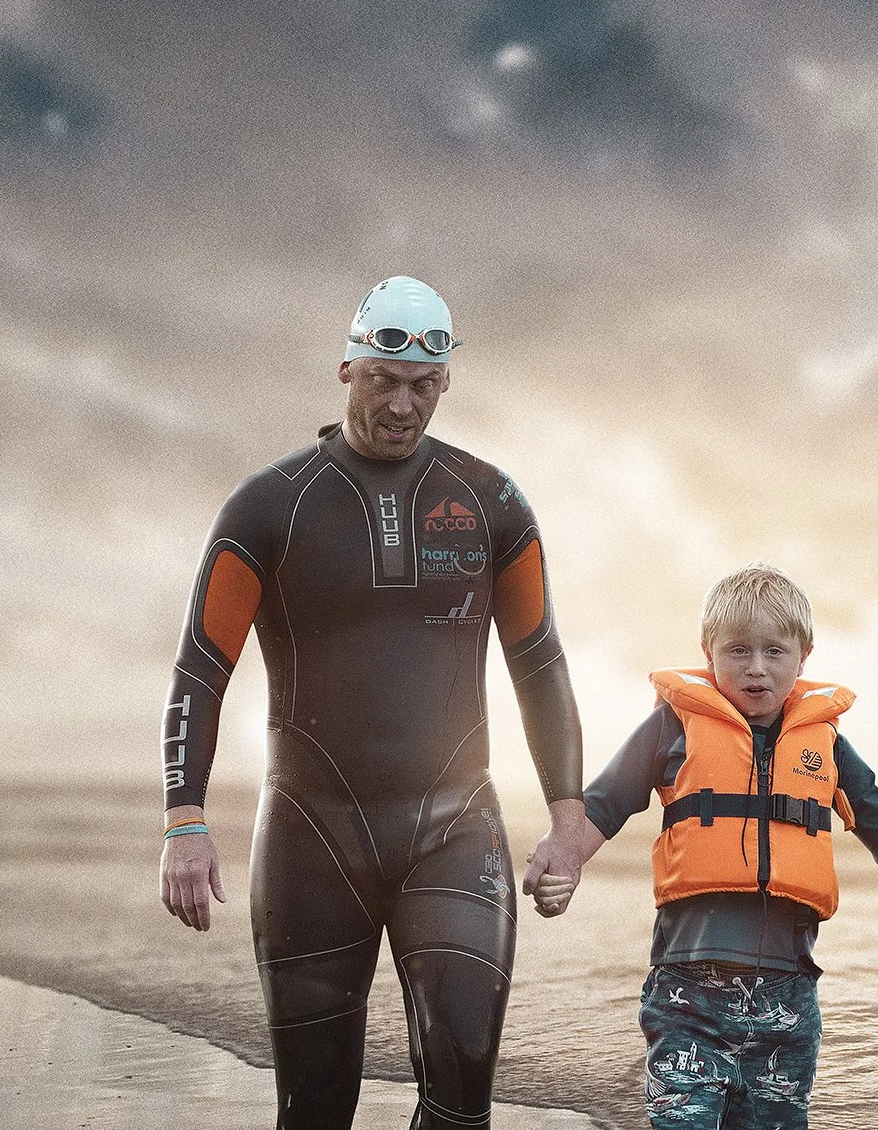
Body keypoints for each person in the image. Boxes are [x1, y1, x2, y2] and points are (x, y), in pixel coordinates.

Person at [159, 275, 591, 1130]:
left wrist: (569, 817)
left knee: (463, 1087)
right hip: (311, 834)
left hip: (454, 824)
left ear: (445, 381)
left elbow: (537, 659)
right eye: (385, 381)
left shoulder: (491, 502)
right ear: (347, 369)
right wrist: (183, 819)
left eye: (422, 385)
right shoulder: (267, 505)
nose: (402, 405)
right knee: (315, 1107)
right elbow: (201, 667)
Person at [519, 563, 878, 1129]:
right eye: (738, 650)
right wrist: (562, 860)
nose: (755, 668)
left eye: (774, 651)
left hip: (788, 999)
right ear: (708, 652)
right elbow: (602, 803)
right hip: (688, 991)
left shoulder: (827, 745)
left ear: (803, 657)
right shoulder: (673, 727)